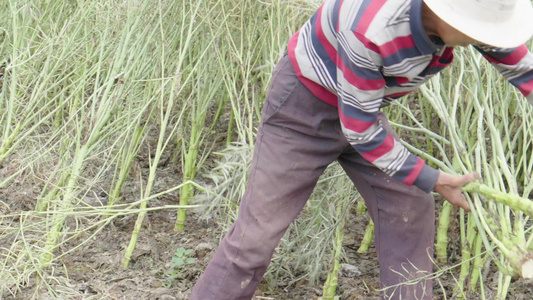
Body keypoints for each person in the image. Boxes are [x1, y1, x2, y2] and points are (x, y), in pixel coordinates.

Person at [191, 0, 533, 299]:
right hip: (304, 110)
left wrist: (422, 181)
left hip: (361, 107)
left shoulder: (462, 17)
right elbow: (361, 132)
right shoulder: (374, 28)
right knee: (256, 236)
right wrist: (431, 177)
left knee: (410, 205)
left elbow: (525, 71)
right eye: (480, 28)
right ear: (449, 16)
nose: (487, 37)